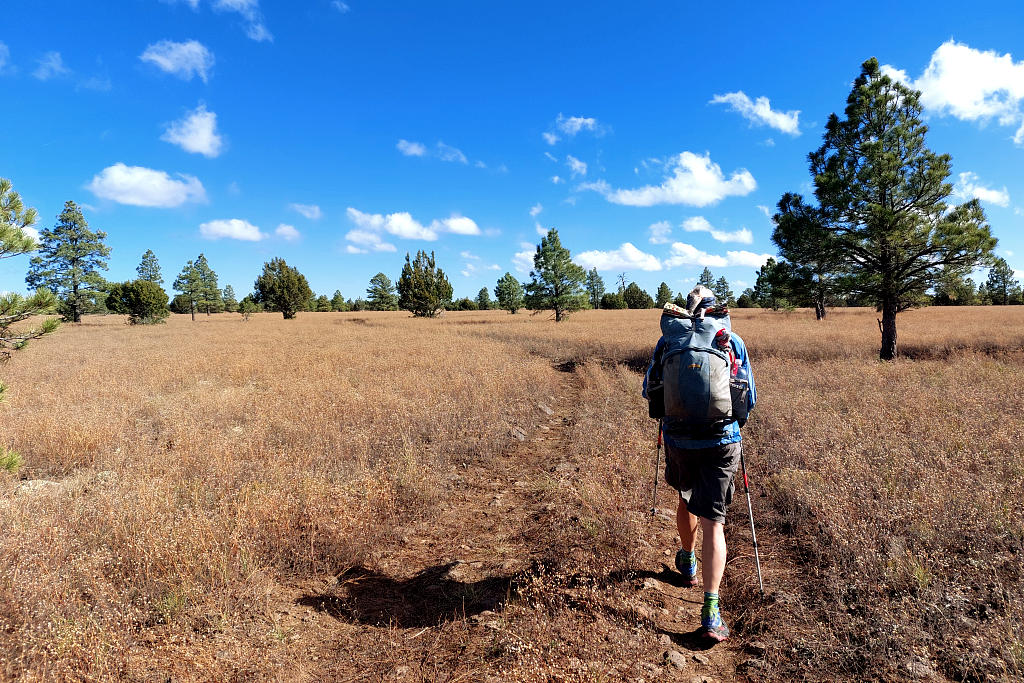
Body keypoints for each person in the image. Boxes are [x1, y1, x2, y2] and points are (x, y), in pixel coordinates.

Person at [642, 285, 756, 642]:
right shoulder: (731, 339)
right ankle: (711, 611)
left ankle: (688, 562)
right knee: (715, 523)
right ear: (716, 310)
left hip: (679, 440)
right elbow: (748, 397)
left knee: (685, 499)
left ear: (688, 311)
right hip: (722, 441)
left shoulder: (668, 341)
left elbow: (649, 390)